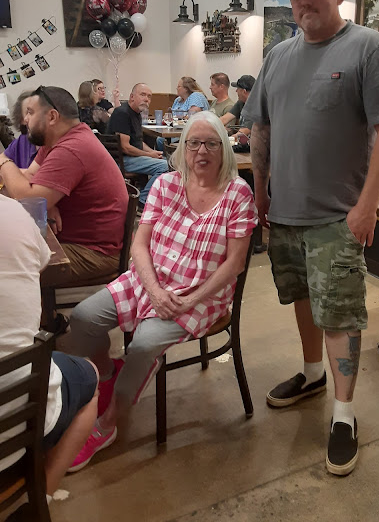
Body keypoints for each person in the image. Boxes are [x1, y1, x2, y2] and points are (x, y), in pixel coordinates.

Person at [243, 0, 379, 476]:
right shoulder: (277, 56)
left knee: (339, 314)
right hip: (285, 213)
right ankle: (312, 373)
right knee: (303, 299)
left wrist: (367, 207)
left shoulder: (369, 48)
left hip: (338, 215)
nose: (305, 0)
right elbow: (262, 127)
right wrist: (261, 192)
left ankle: (343, 413)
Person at [68, 111, 257, 470]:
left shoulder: (237, 194)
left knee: (143, 344)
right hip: (149, 279)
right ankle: (108, 374)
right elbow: (139, 244)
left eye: (212, 143)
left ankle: (107, 424)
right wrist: (154, 289)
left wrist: (190, 299)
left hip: (202, 294)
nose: (202, 151)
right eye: (194, 143)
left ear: (224, 149)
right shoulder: (166, 184)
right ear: (183, 148)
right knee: (83, 318)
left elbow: (235, 264)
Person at [0, 196, 99, 519]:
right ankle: (38, 502)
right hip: (16, 434)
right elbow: (42, 262)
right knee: (88, 378)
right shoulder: (13, 214)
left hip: (100, 251)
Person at [0, 85, 128, 288]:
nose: (25, 120)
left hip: (93, 252)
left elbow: (27, 197)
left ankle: (33, 308)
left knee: (7, 262)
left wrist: (3, 161)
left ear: (52, 117)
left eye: (30, 112)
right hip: (71, 239)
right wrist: (48, 202)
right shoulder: (58, 140)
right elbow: (30, 177)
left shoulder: (72, 148)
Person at [107, 82, 168, 212]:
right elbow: (125, 147)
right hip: (120, 160)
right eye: (143, 94)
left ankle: (151, 197)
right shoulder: (122, 113)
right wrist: (149, 155)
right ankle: (142, 201)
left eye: (149, 97)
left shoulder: (136, 113)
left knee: (168, 162)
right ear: (132, 97)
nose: (146, 99)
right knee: (165, 166)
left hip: (131, 158)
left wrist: (153, 152)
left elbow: (138, 143)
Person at [1, 92, 37, 168]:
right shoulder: (21, 141)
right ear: (22, 119)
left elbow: (32, 173)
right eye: (30, 112)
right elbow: (2, 158)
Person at [220, 74, 256, 140]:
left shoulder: (256, 107)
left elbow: (244, 132)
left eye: (238, 88)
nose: (236, 91)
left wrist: (227, 141)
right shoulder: (241, 102)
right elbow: (224, 119)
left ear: (244, 91)